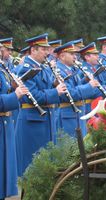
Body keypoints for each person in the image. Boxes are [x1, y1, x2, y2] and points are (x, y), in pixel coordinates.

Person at [15, 33, 67, 176]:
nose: (47, 53)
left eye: (47, 49)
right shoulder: (26, 68)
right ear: (33, 50)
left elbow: (46, 89)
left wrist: (56, 84)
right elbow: (33, 96)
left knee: (46, 165)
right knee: (32, 167)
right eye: (44, 49)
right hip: (32, 122)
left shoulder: (42, 67)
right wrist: (55, 92)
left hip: (44, 120)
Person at [0, 46, 29, 200]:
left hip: (5, 123)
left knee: (4, 172)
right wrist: (15, 95)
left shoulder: (2, 69)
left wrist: (12, 89)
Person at [55, 41, 100, 137]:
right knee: (71, 149)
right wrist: (89, 86)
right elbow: (69, 93)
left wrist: (85, 81)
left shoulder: (71, 69)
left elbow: (75, 86)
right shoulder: (58, 71)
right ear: (62, 56)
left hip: (76, 114)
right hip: (68, 116)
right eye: (71, 54)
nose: (75, 57)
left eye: (75, 54)